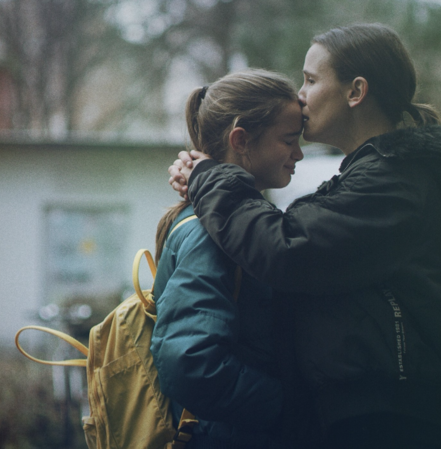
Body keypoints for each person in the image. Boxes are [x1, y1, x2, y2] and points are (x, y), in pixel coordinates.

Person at [168, 23, 441, 449]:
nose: (300, 95)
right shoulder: (373, 177)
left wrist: (208, 177)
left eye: (311, 80)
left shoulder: (394, 184)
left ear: (356, 92)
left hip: (383, 423)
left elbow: (286, 248)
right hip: (375, 416)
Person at [150, 69, 305, 449]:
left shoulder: (234, 223)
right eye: (289, 140)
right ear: (241, 140)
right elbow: (192, 363)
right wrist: (291, 409)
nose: (298, 154)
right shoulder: (212, 233)